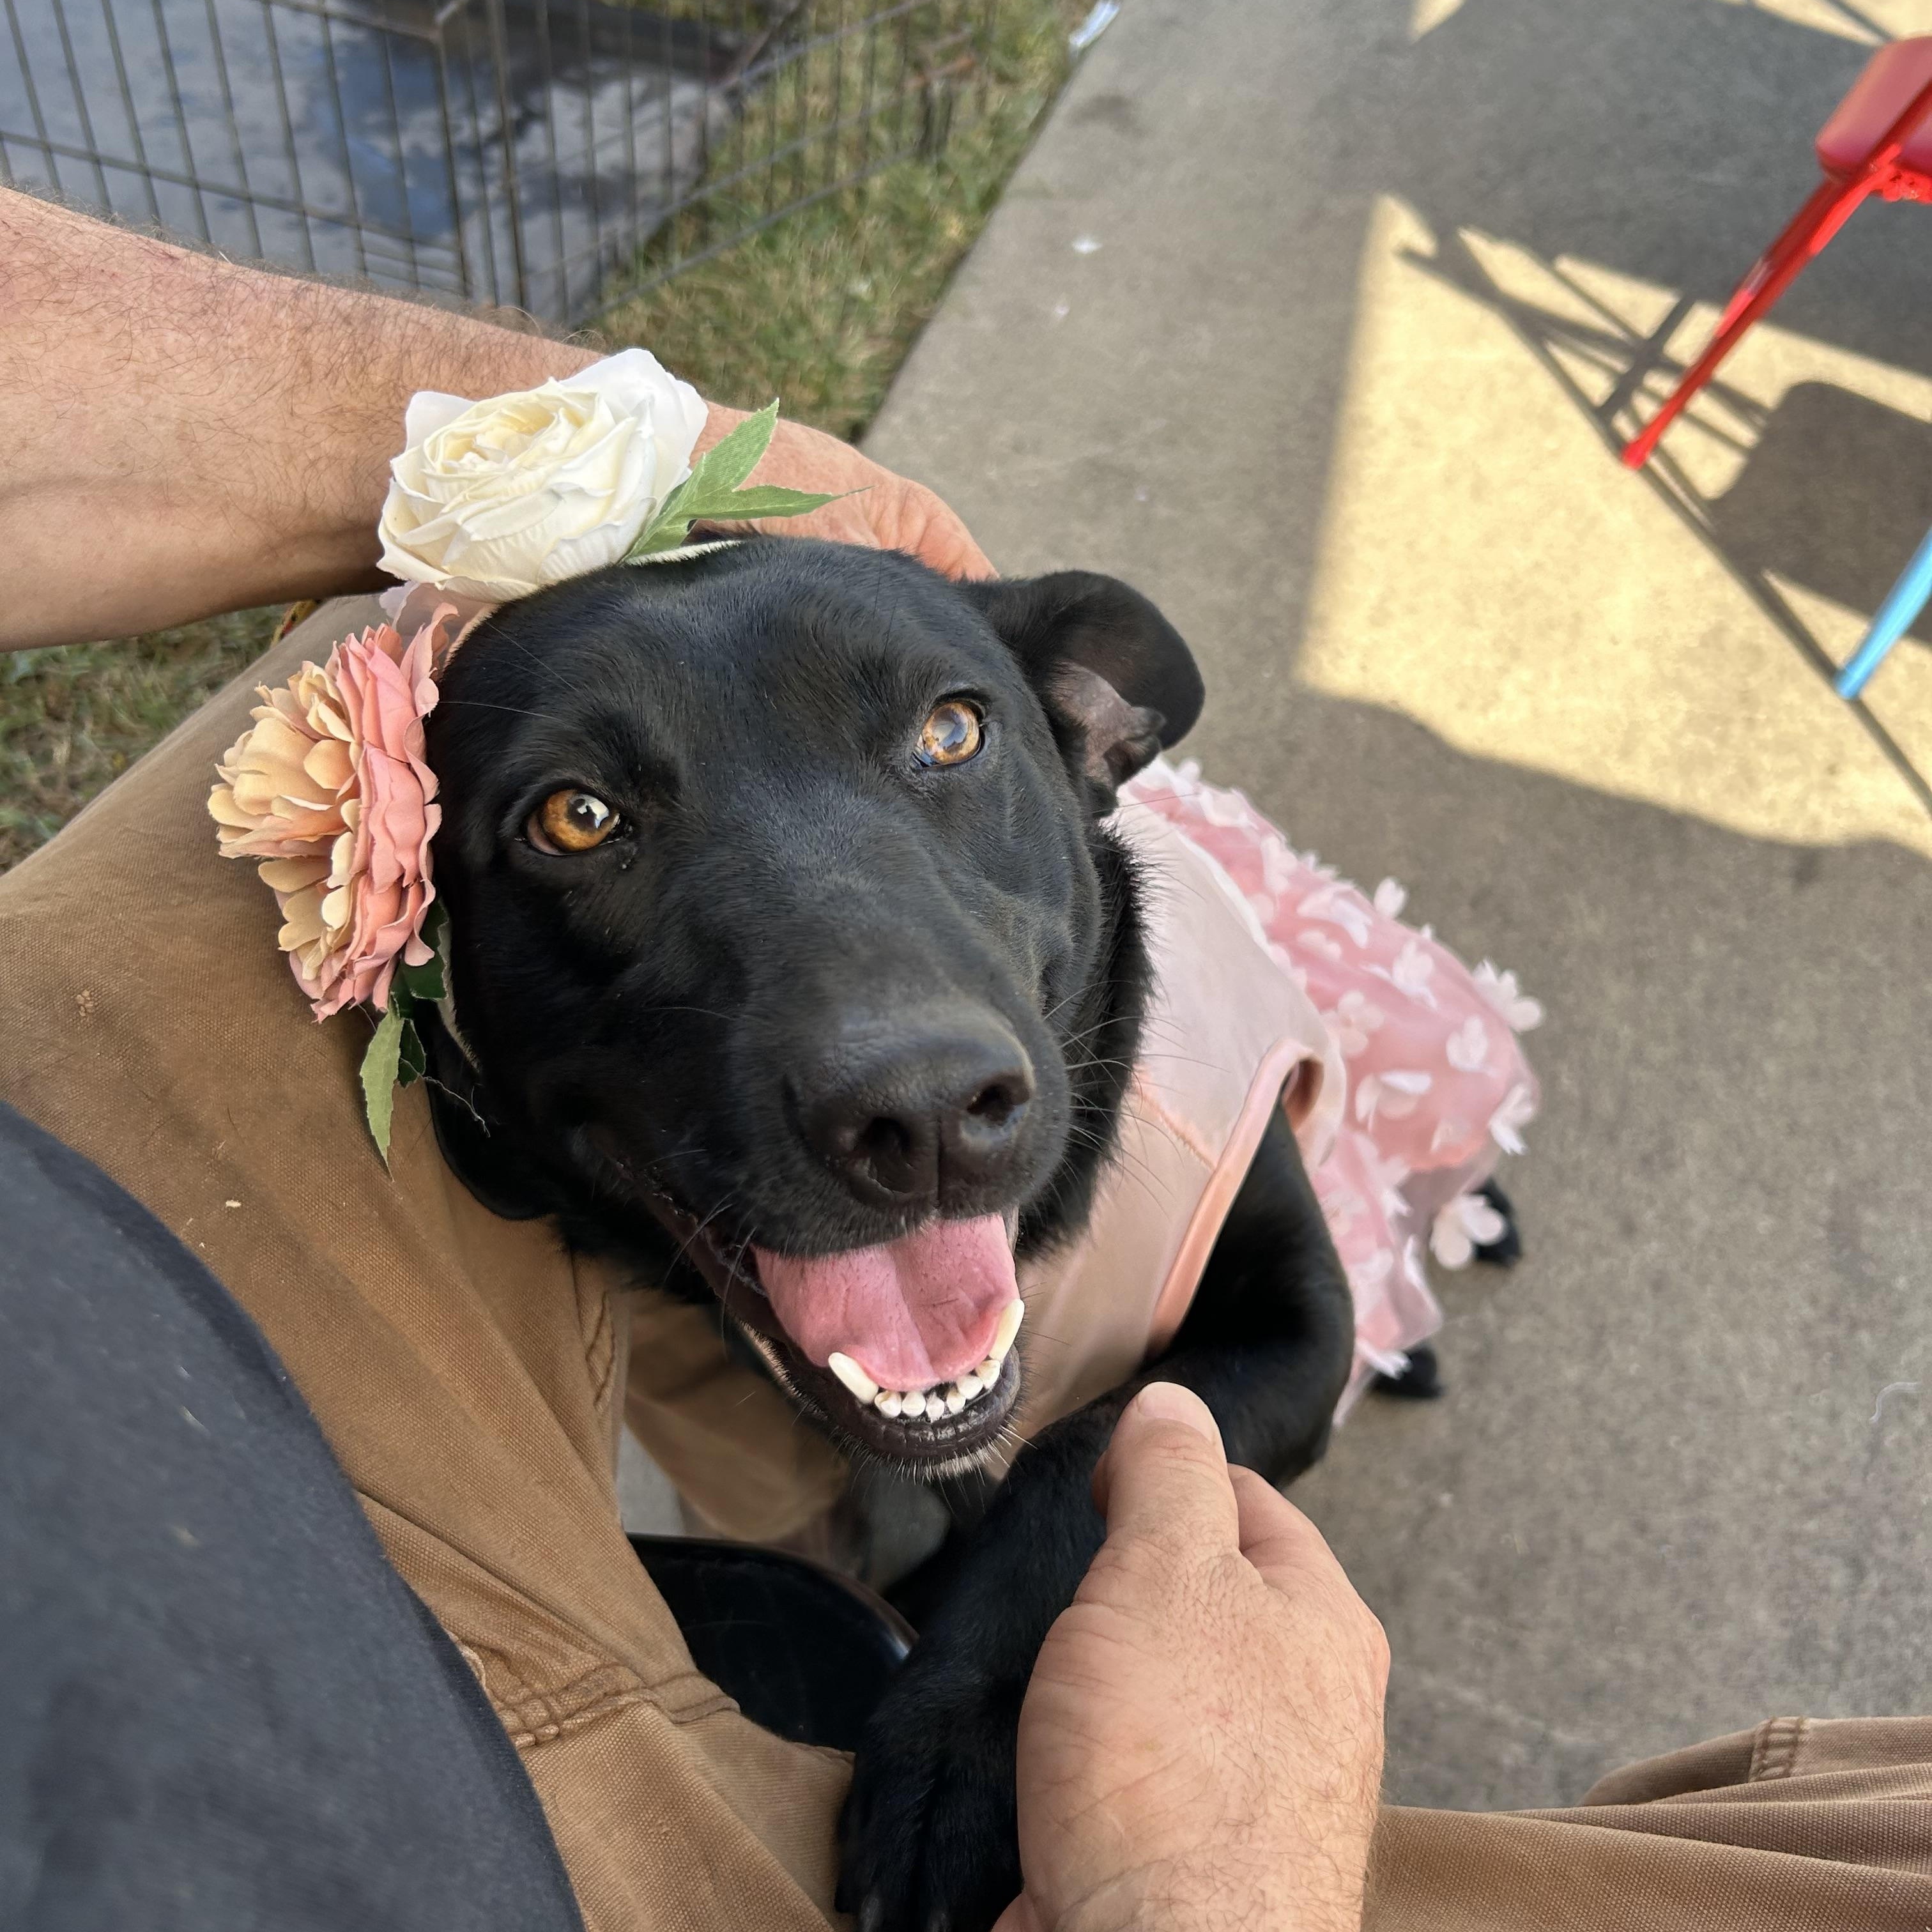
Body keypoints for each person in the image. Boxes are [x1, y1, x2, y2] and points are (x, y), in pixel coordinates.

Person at [4, 186, 1932, 1932]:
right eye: (582, 820)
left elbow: (1283, 1338)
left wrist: (1016, 1614)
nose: (905, 1074)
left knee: (1257, 1312)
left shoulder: (1172, 1097)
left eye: (942, 737)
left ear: (1083, 734)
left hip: (1157, 1267)